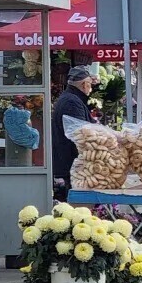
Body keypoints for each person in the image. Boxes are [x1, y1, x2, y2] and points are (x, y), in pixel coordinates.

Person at [51, 66, 97, 197]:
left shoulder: (69, 98)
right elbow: (80, 132)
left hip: (68, 163)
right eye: (90, 84)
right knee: (75, 204)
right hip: (71, 164)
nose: (91, 88)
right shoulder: (72, 102)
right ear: (84, 84)